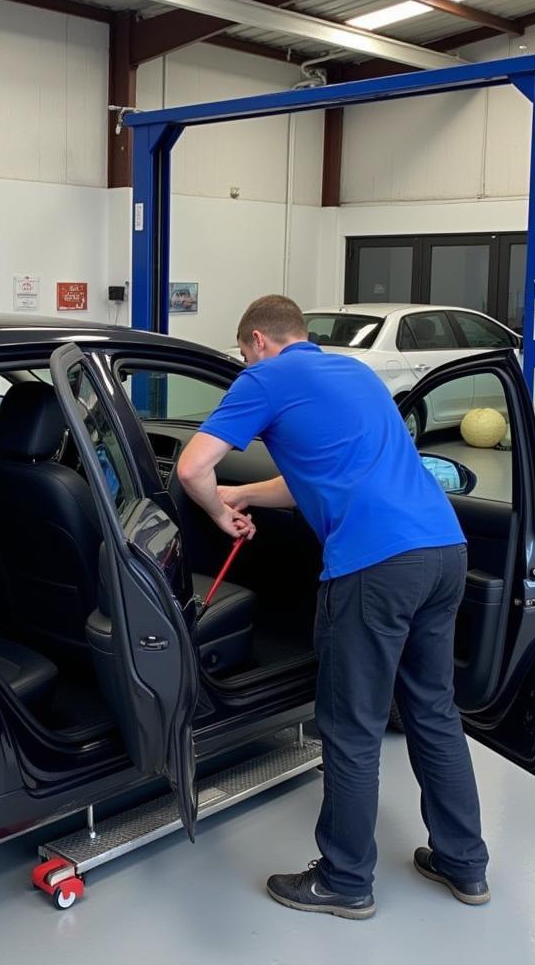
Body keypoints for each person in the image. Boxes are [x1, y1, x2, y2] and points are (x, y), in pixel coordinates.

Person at [176, 294, 490, 921]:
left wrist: (218, 511)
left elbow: (190, 467)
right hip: (443, 550)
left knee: (350, 726)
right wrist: (243, 493)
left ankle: (346, 879)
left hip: (374, 566)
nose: (245, 365)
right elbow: (312, 477)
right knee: (432, 709)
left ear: (258, 341)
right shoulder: (354, 374)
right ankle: (464, 864)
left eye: (243, 355)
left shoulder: (265, 376)